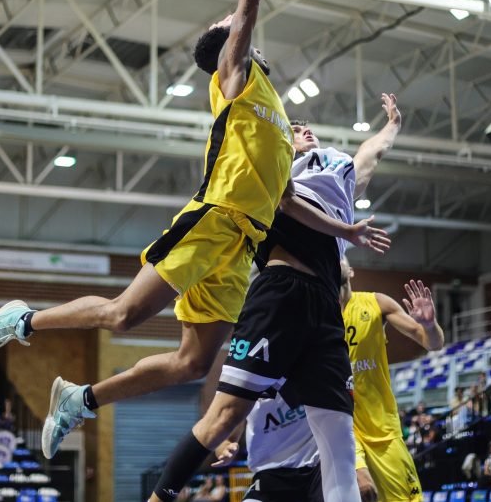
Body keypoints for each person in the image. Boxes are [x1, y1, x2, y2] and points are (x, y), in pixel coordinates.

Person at [0, 0, 386, 459]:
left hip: (242, 247)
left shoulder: (280, 127)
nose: (238, 22)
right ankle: (25, 320)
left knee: (193, 362)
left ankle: (80, 401)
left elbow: (287, 202)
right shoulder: (234, 80)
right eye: (232, 24)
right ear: (229, 47)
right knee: (123, 315)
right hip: (214, 219)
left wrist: (347, 232)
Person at [145, 95, 400, 501]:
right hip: (280, 292)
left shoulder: (342, 172)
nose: (305, 131)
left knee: (338, 433)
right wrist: (344, 230)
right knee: (223, 416)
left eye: (306, 128)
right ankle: (160, 497)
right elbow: (288, 202)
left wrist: (393, 123)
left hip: (324, 303)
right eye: (295, 130)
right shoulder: (275, 167)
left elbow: (373, 151)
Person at [341, 260, 444, 502]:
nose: (336, 258)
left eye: (341, 255)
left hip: (382, 429)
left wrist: (429, 326)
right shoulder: (315, 313)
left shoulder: (376, 302)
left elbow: (434, 343)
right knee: (363, 490)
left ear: (351, 270)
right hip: (343, 429)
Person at [211, 390, 323, 502]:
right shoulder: (239, 385)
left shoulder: (310, 375)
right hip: (270, 475)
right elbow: (225, 440)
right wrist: (225, 448)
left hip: (317, 468)